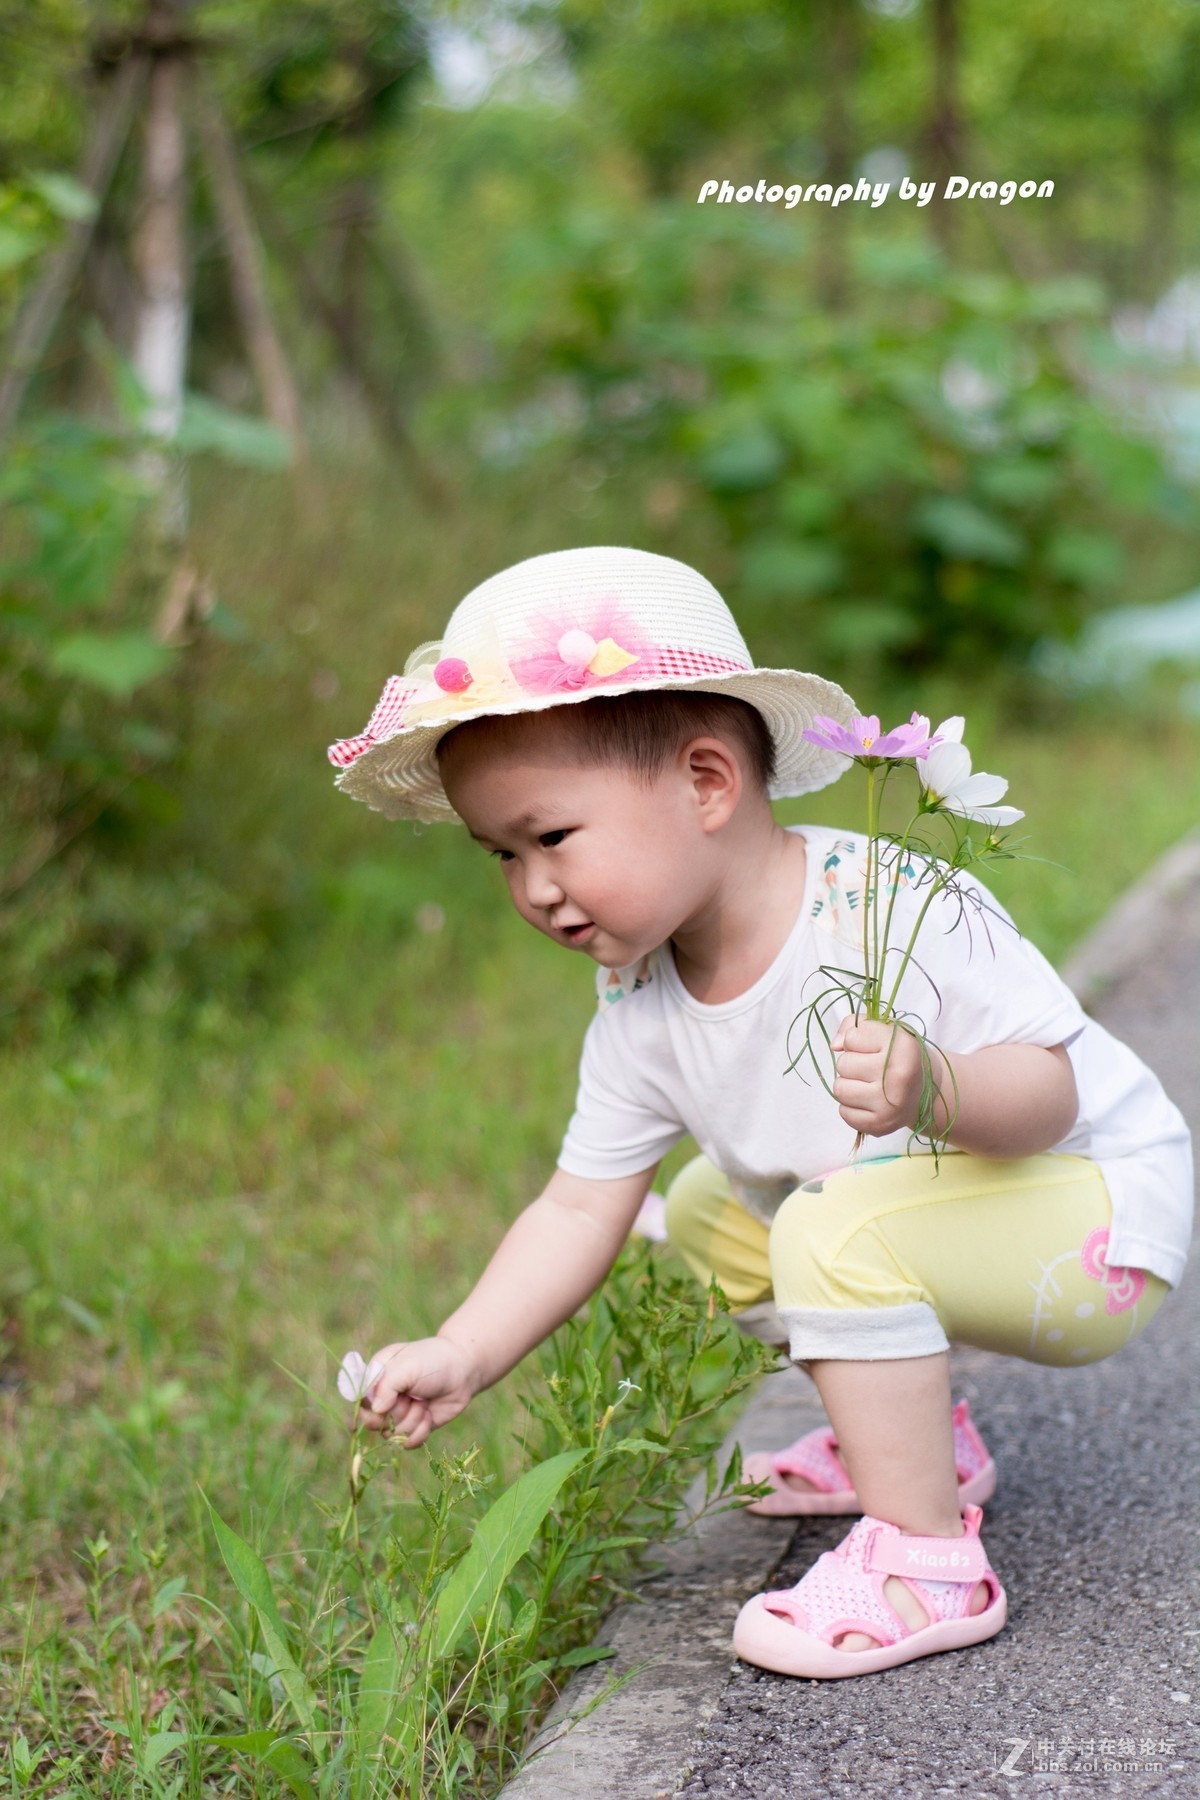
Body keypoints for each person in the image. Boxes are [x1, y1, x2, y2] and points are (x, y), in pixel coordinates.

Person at [327, 546, 1193, 1679]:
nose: (532, 888)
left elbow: (1052, 1092)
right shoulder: (638, 1004)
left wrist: (935, 1083)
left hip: (1094, 1224)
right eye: (501, 855)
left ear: (705, 784)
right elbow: (581, 1207)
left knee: (828, 1223)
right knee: (704, 1207)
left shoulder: (884, 908)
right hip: (932, 1217)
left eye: (552, 838)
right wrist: (463, 1349)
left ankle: (928, 1560)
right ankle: (915, 1445)